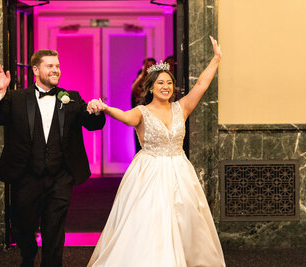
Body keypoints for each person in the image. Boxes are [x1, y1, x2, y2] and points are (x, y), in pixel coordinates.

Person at [87, 36, 225, 267]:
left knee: (186, 219)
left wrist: (216, 59)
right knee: (152, 221)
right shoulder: (141, 111)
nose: (166, 87)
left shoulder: (182, 108)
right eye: (160, 83)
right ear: (150, 87)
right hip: (149, 172)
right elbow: (125, 117)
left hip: (180, 170)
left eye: (169, 83)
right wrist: (106, 107)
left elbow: (201, 85)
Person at [0, 49, 106, 267]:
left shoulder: (72, 98)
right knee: (23, 226)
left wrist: (96, 111)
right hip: (26, 177)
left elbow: (93, 124)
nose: (55, 70)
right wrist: (0, 92)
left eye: (57, 66)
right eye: (50, 66)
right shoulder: (16, 98)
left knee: (55, 229)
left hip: (60, 177)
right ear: (35, 69)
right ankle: (28, 254)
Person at [131, 58, 156, 153]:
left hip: (153, 117)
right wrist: (142, 74)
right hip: (140, 118)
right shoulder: (140, 79)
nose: (149, 68)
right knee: (139, 148)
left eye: (151, 66)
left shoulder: (157, 82)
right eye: (147, 66)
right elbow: (134, 89)